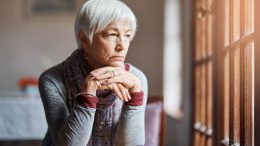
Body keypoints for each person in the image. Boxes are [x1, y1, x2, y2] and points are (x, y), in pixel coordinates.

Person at [38, 0, 148, 145]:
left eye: (127, 35)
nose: (122, 46)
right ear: (84, 39)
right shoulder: (52, 80)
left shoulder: (136, 79)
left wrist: (135, 93)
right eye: (112, 34)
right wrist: (87, 95)